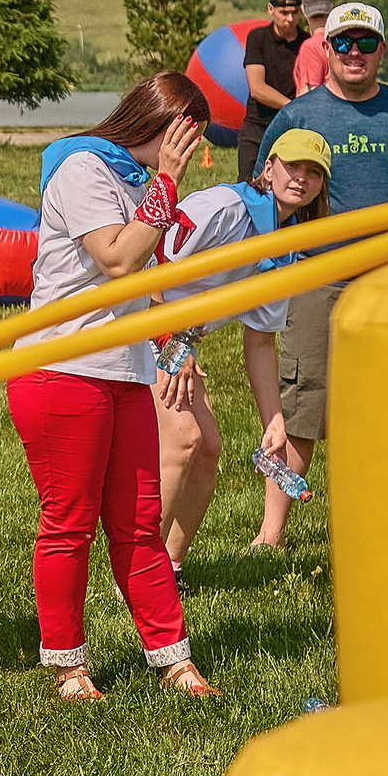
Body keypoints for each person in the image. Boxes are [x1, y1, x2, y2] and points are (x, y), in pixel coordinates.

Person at [10, 74, 217, 703]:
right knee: (70, 523)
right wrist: (167, 184)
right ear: (160, 124)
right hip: (62, 369)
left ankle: (173, 659)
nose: (194, 149)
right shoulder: (83, 168)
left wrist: (171, 338)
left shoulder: (134, 180)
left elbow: (142, 282)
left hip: (124, 371)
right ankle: (68, 668)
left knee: (139, 524)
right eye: (189, 135)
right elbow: (119, 258)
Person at [254, 0, 388, 548]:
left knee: (387, 409)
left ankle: (381, 525)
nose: (353, 52)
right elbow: (266, 188)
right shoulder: (299, 115)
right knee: (302, 403)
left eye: (365, 43)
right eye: (343, 42)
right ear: (326, 48)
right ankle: (271, 533)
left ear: (381, 50)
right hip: (317, 276)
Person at [154, 128, 330, 572]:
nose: (301, 178)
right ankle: (138, 578)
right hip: (139, 324)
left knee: (207, 449)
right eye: (292, 166)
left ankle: (168, 568)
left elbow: (260, 340)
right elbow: (148, 263)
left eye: (314, 172)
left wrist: (274, 423)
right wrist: (170, 340)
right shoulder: (223, 209)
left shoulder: (283, 245)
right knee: (185, 440)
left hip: (179, 340)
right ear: (268, 168)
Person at [237, 0, 305, 178]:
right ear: (270, 9)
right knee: (247, 184)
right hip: (258, 125)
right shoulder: (257, 38)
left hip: (292, 128)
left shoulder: (306, 43)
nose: (290, 19)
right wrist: (292, 106)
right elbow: (257, 89)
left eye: (295, 12)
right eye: (284, 13)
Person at [292, 0, 334, 93]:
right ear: (332, 7)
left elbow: (311, 94)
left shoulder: (311, 47)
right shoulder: (341, 41)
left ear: (303, 9)